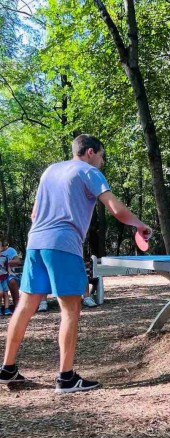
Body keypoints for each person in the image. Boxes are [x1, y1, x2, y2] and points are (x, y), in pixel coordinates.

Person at [0, 134, 151, 393]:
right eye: (101, 156)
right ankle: (66, 377)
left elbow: (34, 213)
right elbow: (116, 209)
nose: (102, 162)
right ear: (90, 152)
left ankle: (6, 368)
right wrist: (140, 225)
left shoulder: (50, 171)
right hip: (63, 244)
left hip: (35, 242)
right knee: (70, 310)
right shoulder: (88, 172)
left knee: (24, 307)